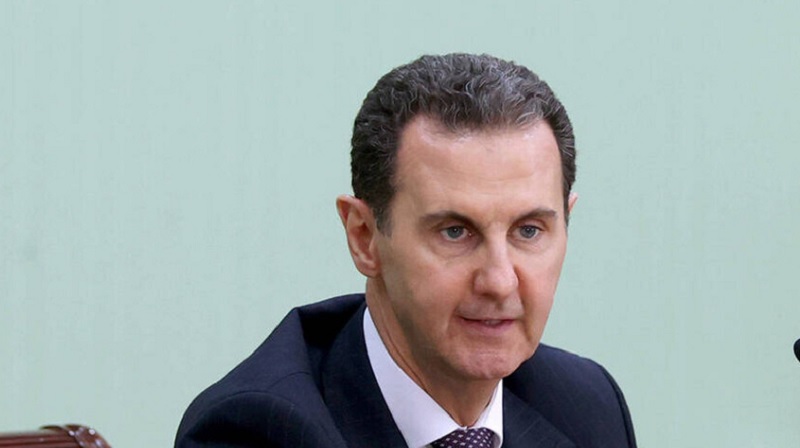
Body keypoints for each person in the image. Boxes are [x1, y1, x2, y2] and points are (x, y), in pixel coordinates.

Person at [175, 53, 637, 448]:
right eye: (455, 232)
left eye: (529, 231)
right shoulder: (258, 430)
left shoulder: (587, 406)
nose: (499, 281)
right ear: (364, 237)